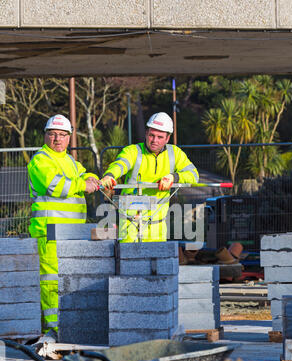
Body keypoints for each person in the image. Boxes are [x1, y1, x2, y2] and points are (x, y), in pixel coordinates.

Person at [27, 114, 100, 347]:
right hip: (49, 231)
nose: (57, 139)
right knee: (51, 281)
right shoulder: (40, 160)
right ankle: (53, 328)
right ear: (46, 135)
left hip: (71, 232)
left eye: (62, 135)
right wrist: (84, 185)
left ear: (69, 138)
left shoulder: (68, 160)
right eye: (53, 134)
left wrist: (92, 179)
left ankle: (66, 325)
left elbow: (84, 173)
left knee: (68, 279)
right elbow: (57, 186)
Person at [99, 112, 199, 242]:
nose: (154, 140)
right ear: (146, 133)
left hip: (158, 226)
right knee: (129, 261)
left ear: (167, 138)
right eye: (151, 135)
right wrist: (110, 175)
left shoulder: (175, 154)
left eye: (160, 137)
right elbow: (120, 164)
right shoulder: (133, 151)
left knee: (157, 261)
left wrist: (174, 177)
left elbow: (194, 175)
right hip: (131, 225)